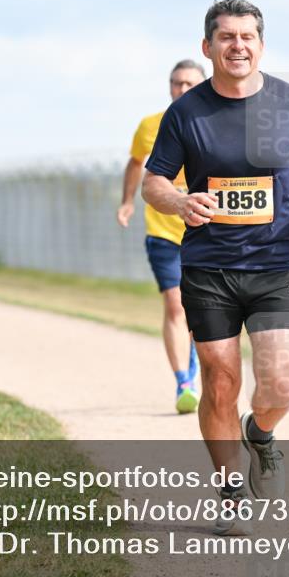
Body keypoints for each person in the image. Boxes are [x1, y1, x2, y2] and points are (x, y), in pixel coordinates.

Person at [143, 0, 289, 535]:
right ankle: (229, 488)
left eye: (247, 36)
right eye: (226, 37)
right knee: (221, 382)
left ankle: (262, 436)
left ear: (261, 44)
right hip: (210, 266)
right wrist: (180, 202)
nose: (238, 45)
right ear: (209, 47)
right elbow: (153, 181)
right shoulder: (187, 112)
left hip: (277, 262)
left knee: (281, 383)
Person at [117, 59, 206, 414]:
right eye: (176, 83)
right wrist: (127, 201)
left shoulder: (215, 122)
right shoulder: (150, 125)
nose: (181, 90)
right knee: (174, 304)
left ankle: (200, 367)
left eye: (189, 84)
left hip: (206, 231)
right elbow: (135, 163)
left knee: (203, 310)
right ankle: (183, 380)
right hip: (163, 231)